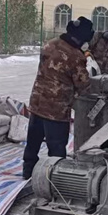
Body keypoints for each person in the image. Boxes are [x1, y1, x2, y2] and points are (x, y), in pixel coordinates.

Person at [22, 17, 93, 179]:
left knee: (33, 142)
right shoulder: (75, 56)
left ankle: (28, 171)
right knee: (56, 147)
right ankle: (55, 179)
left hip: (37, 101)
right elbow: (83, 84)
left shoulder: (50, 44)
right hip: (56, 109)